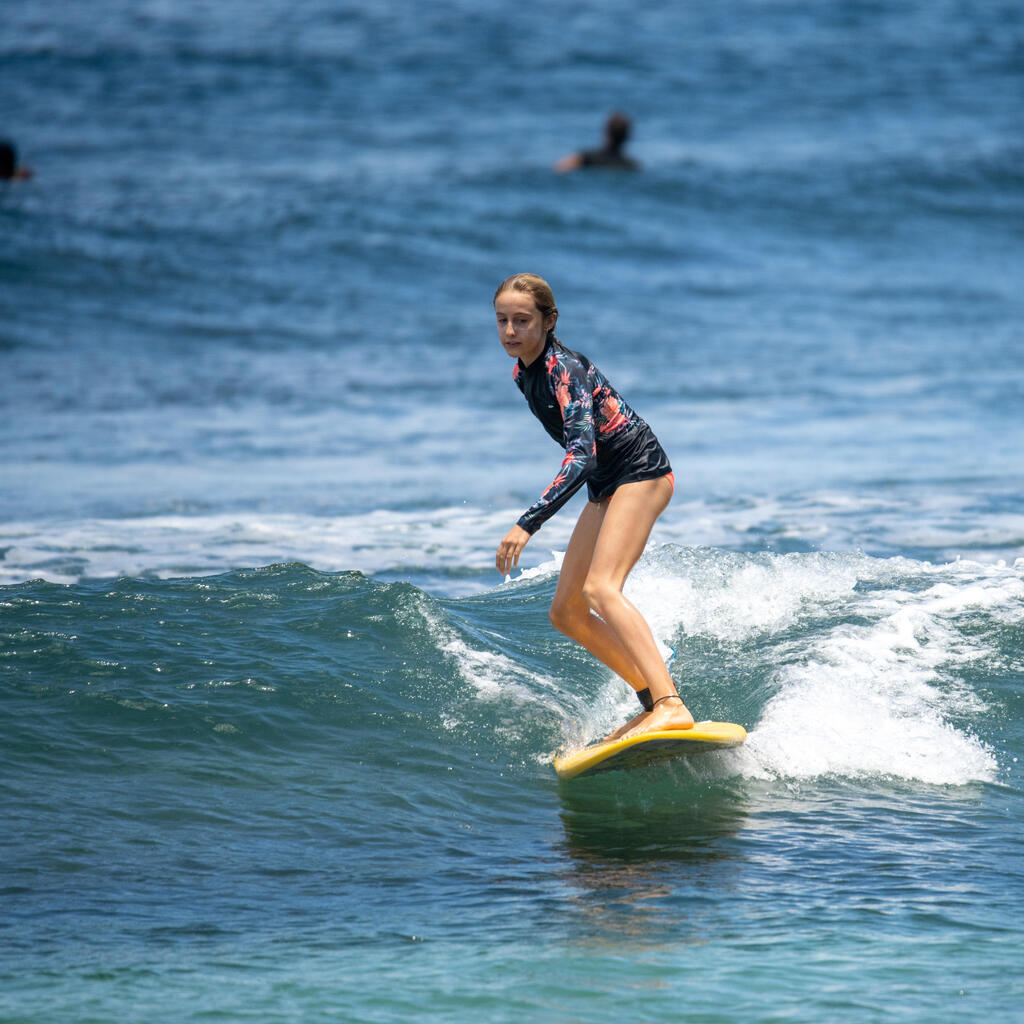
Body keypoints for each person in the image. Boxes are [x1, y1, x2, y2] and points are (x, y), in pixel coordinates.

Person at [493, 273, 693, 741]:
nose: (510, 331)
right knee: (566, 611)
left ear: (549, 320)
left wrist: (528, 524)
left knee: (602, 589)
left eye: (522, 320)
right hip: (607, 484)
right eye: (502, 320)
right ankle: (652, 700)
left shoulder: (565, 369)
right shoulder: (524, 372)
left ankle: (669, 703)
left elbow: (583, 453)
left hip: (641, 472)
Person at [554, 111, 640, 173]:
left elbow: (560, 167)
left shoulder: (588, 158)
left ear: (607, 133)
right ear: (627, 136)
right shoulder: (632, 165)